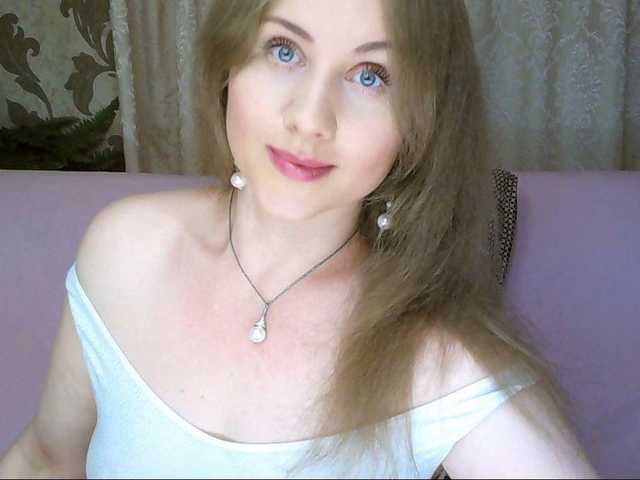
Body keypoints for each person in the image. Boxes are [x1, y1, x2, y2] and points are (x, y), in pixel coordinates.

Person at [0, 0, 600, 478]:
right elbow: (46, 461)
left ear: (423, 122)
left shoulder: (439, 364)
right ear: (228, 63)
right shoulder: (126, 248)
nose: (311, 119)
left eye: (371, 76)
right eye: (284, 50)